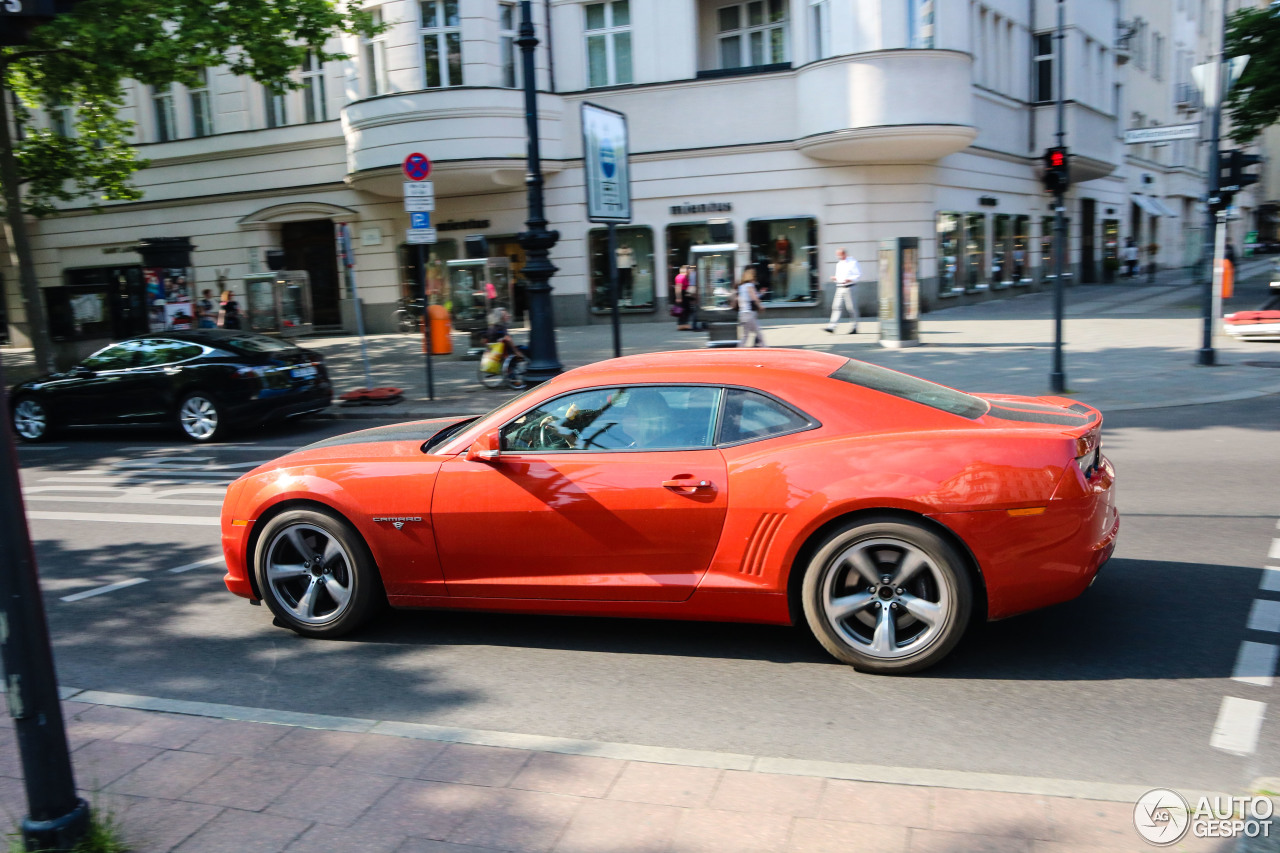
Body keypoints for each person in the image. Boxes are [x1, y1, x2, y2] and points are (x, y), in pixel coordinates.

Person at [826, 248, 861, 333]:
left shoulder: (852, 262)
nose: (838, 257)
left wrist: (850, 279)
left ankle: (854, 327)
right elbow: (839, 276)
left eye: (840, 255)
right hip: (840, 287)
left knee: (851, 308)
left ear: (844, 254)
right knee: (836, 306)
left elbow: (858, 274)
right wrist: (835, 278)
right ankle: (832, 327)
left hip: (849, 287)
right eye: (837, 255)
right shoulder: (839, 264)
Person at [734, 267, 766, 348]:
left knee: (745, 335)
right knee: (758, 332)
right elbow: (754, 298)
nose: (755, 277)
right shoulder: (749, 285)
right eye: (754, 275)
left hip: (742, 314)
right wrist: (760, 306)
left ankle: (739, 350)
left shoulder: (742, 286)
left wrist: (760, 294)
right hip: (749, 313)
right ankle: (765, 348)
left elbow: (748, 297)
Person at [674, 265, 692, 330]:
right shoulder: (681, 277)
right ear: (686, 270)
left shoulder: (683, 277)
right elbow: (678, 287)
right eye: (689, 270)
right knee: (685, 310)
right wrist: (678, 297)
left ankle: (682, 325)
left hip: (684, 294)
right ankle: (682, 325)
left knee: (684, 310)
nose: (690, 271)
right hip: (682, 294)